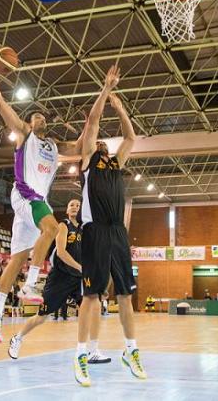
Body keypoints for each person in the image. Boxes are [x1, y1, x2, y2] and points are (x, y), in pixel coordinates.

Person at [0, 54, 88, 343]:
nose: (39, 116)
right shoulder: (24, 135)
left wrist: (93, 117)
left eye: (42, 115)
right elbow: (3, 107)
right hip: (26, 195)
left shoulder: (53, 146)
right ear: (29, 122)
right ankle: (30, 285)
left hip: (32, 205)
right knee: (53, 228)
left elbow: (80, 146)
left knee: (16, 258)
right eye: (34, 115)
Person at [74, 67, 146, 387]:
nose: (102, 142)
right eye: (99, 141)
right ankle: (81, 355)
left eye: (105, 141)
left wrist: (122, 110)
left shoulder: (116, 163)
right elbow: (92, 122)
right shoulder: (88, 160)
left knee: (126, 294)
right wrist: (106, 91)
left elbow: (131, 137)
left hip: (118, 231)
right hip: (96, 231)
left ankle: (131, 351)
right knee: (92, 296)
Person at [9, 199, 110, 365]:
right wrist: (81, 268)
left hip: (78, 279)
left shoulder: (85, 230)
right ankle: (18, 338)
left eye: (78, 205)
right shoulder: (63, 225)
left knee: (93, 308)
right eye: (71, 205)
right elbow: (61, 253)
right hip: (60, 277)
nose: (75, 208)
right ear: (67, 210)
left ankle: (92, 350)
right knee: (41, 316)